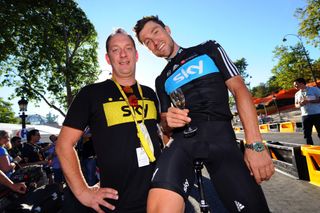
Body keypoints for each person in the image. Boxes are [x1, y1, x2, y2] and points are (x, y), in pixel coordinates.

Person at [134, 15, 275, 213]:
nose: (154, 42)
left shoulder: (208, 49)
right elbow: (165, 123)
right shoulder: (161, 79)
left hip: (221, 139)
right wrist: (167, 121)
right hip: (184, 141)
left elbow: (239, 89)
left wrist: (255, 145)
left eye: (155, 32)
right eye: (147, 42)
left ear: (167, 29)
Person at [56, 28, 162, 213]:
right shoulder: (90, 93)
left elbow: (163, 135)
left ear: (136, 55)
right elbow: (64, 144)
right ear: (107, 58)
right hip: (116, 202)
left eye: (128, 48)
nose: (122, 54)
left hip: (159, 196)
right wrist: (82, 192)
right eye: (115, 49)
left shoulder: (150, 93)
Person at [294, 77, 320, 145]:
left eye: (296, 84)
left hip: (317, 114)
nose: (295, 86)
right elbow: (296, 105)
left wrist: (309, 101)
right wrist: (300, 104)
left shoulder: (314, 89)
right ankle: (311, 152)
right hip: (305, 116)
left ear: (302, 83)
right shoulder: (297, 94)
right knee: (307, 135)